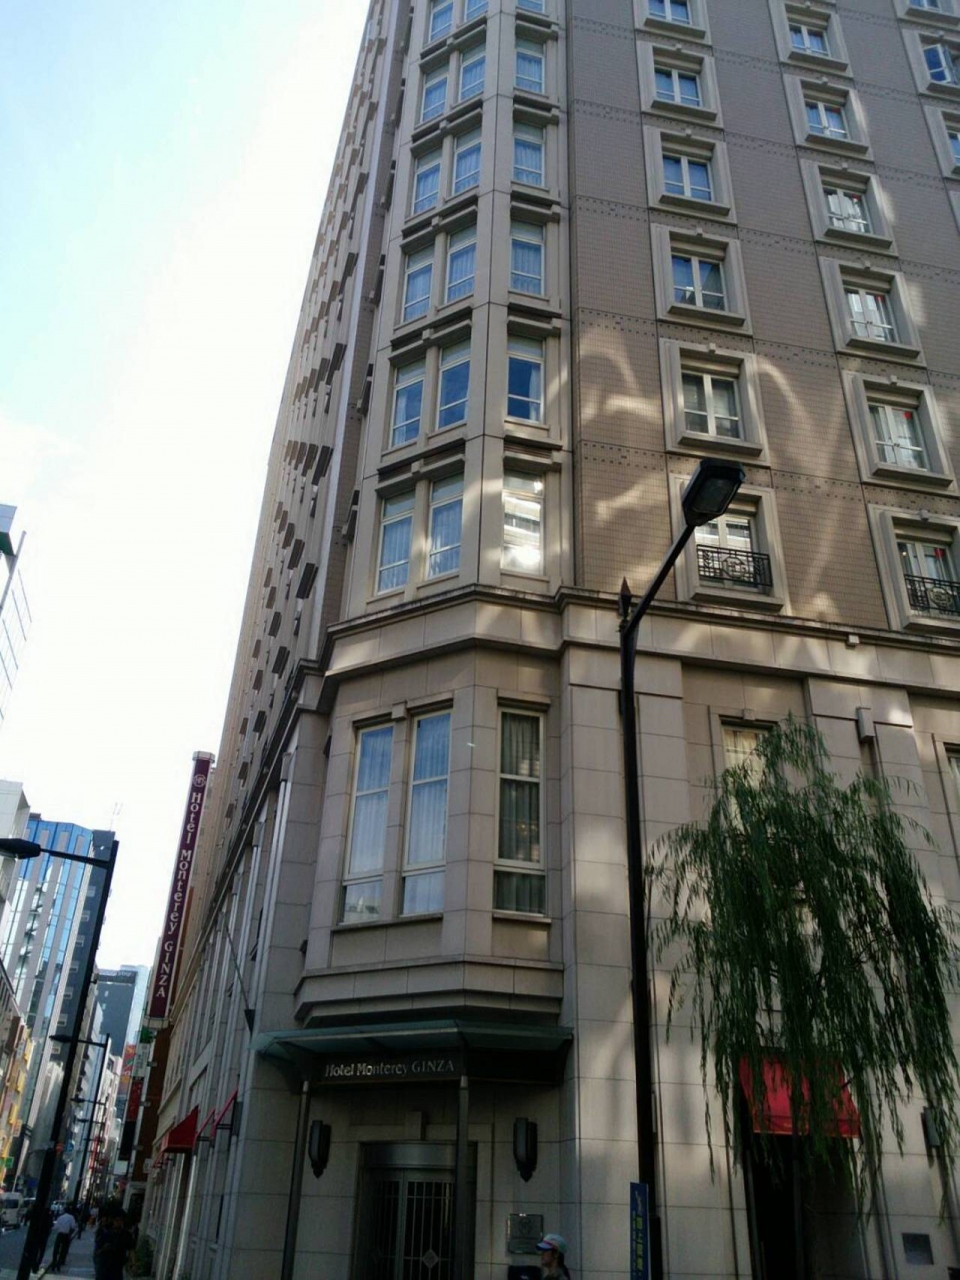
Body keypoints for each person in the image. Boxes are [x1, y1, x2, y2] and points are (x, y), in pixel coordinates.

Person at [93, 1203, 134, 1280]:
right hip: (105, 1265)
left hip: (118, 1266)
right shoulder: (106, 1233)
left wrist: (133, 1264)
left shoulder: (126, 1235)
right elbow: (97, 1250)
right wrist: (105, 1249)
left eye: (120, 1220)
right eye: (116, 1220)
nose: (118, 1222)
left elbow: (131, 1249)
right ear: (113, 1221)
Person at [50, 1205, 78, 1273]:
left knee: (56, 1249)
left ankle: (54, 1262)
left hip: (60, 1234)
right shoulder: (71, 1217)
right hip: (66, 1235)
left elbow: (56, 1226)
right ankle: (59, 1263)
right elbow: (73, 1226)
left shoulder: (60, 1217)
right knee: (63, 1250)